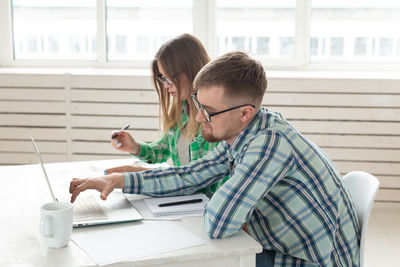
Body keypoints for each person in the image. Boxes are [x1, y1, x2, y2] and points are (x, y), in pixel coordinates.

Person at [70, 51, 360, 266]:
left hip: (306, 259)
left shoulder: (270, 144)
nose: (197, 117)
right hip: (283, 244)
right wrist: (117, 180)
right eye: (198, 103)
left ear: (245, 112)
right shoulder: (245, 131)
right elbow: (190, 175)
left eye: (207, 111)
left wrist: (227, 204)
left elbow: (219, 223)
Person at [105, 33, 228, 196]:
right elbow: (164, 149)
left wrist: (139, 174)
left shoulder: (217, 119)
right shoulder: (180, 109)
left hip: (205, 204)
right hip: (184, 200)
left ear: (192, 71)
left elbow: (200, 179)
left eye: (169, 78)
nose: (165, 86)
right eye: (162, 79)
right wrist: (135, 147)